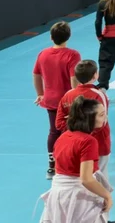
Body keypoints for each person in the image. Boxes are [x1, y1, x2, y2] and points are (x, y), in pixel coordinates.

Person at [43, 96, 113, 222]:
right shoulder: (89, 141)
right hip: (77, 199)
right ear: (90, 119)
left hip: (58, 196)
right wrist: (106, 195)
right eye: (102, 115)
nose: (105, 118)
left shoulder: (63, 137)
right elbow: (86, 179)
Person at [35, 21, 81, 179]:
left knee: (54, 131)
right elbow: (74, 78)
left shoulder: (43, 54)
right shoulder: (72, 55)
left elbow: (36, 74)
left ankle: (51, 167)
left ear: (51, 37)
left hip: (51, 100)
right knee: (71, 132)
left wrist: (40, 93)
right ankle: (68, 165)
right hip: (68, 101)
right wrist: (77, 99)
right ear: (69, 36)